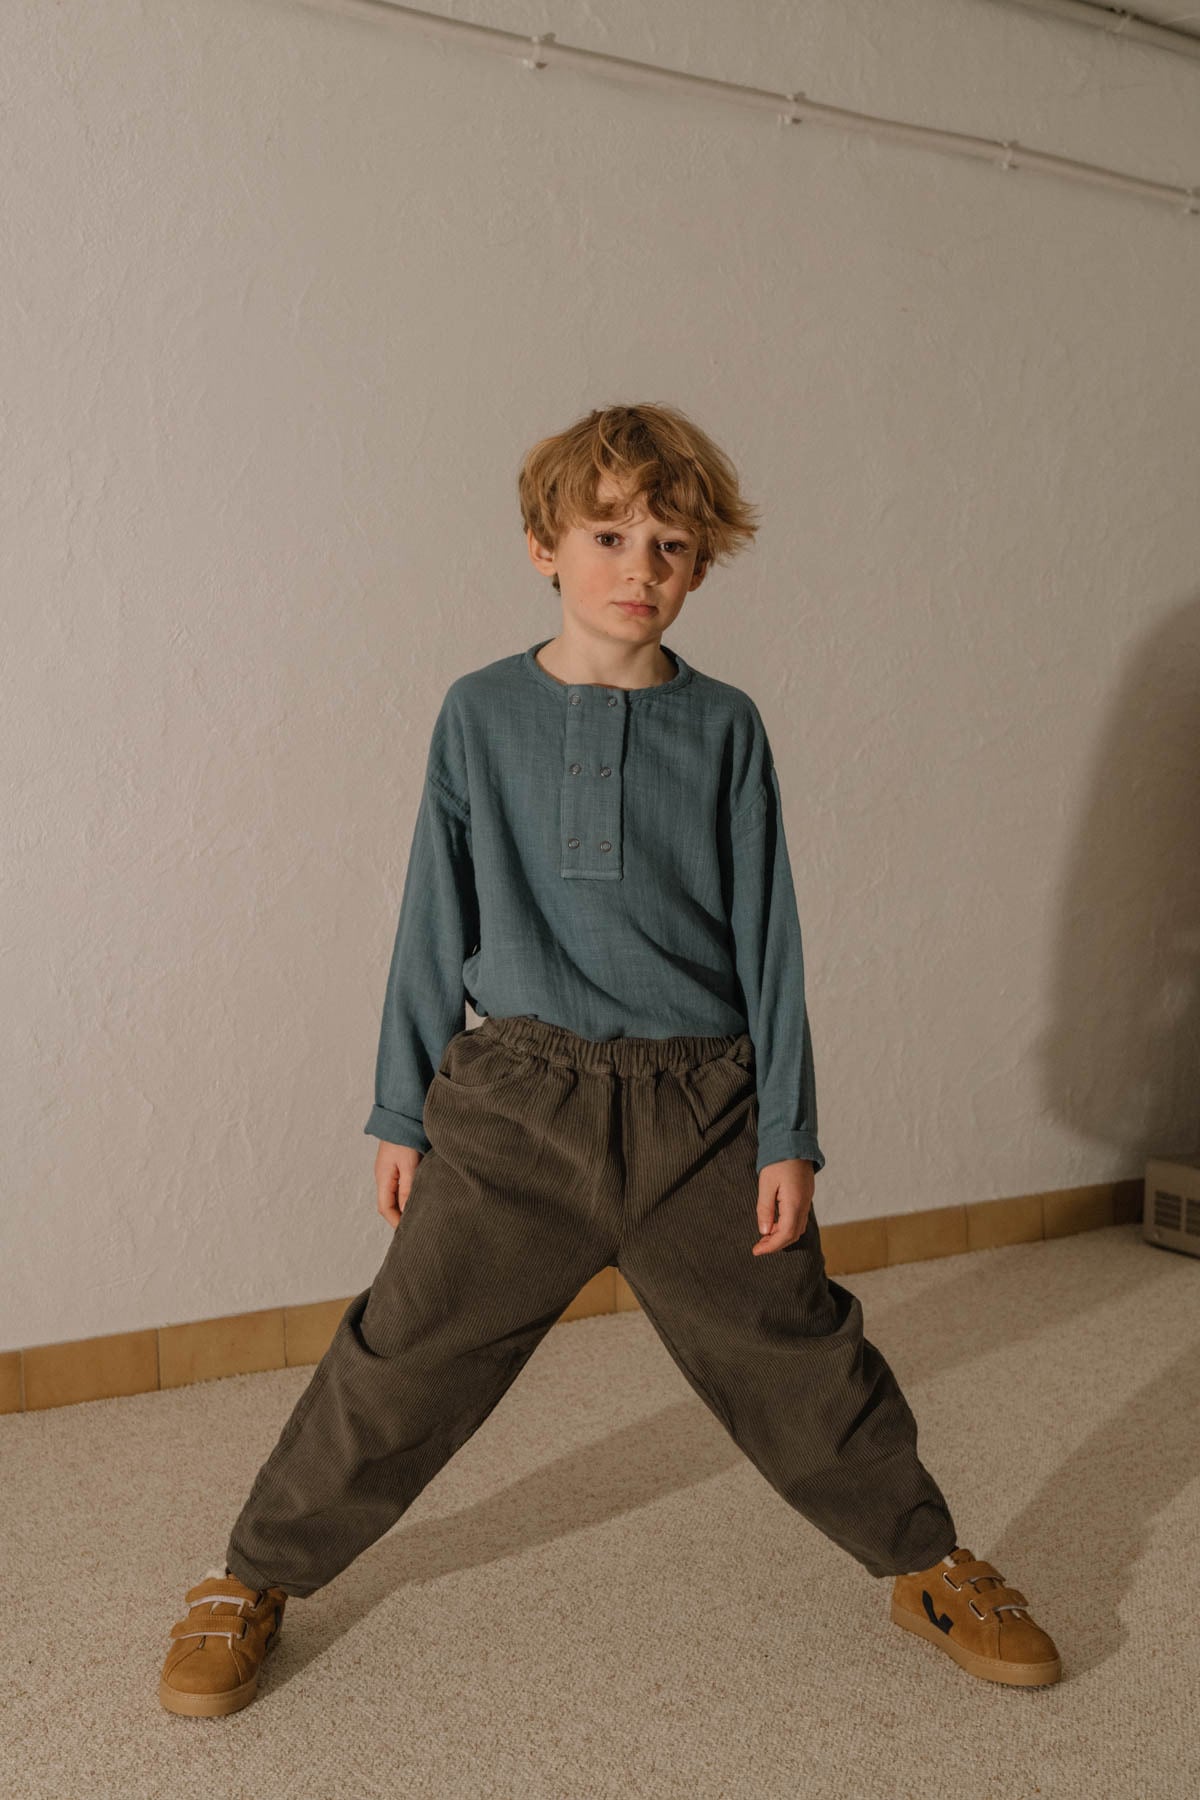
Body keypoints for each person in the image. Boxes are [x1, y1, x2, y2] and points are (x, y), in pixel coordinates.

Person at [159, 403, 1061, 1718]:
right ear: (545, 546)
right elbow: (433, 918)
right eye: (610, 536)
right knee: (402, 1358)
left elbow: (772, 943)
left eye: (672, 546)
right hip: (516, 1107)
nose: (642, 568)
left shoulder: (728, 727)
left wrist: (789, 1134)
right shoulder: (478, 714)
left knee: (801, 1353)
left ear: (699, 567)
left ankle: (926, 1563)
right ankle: (252, 1574)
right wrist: (400, 1108)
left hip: (703, 1111)